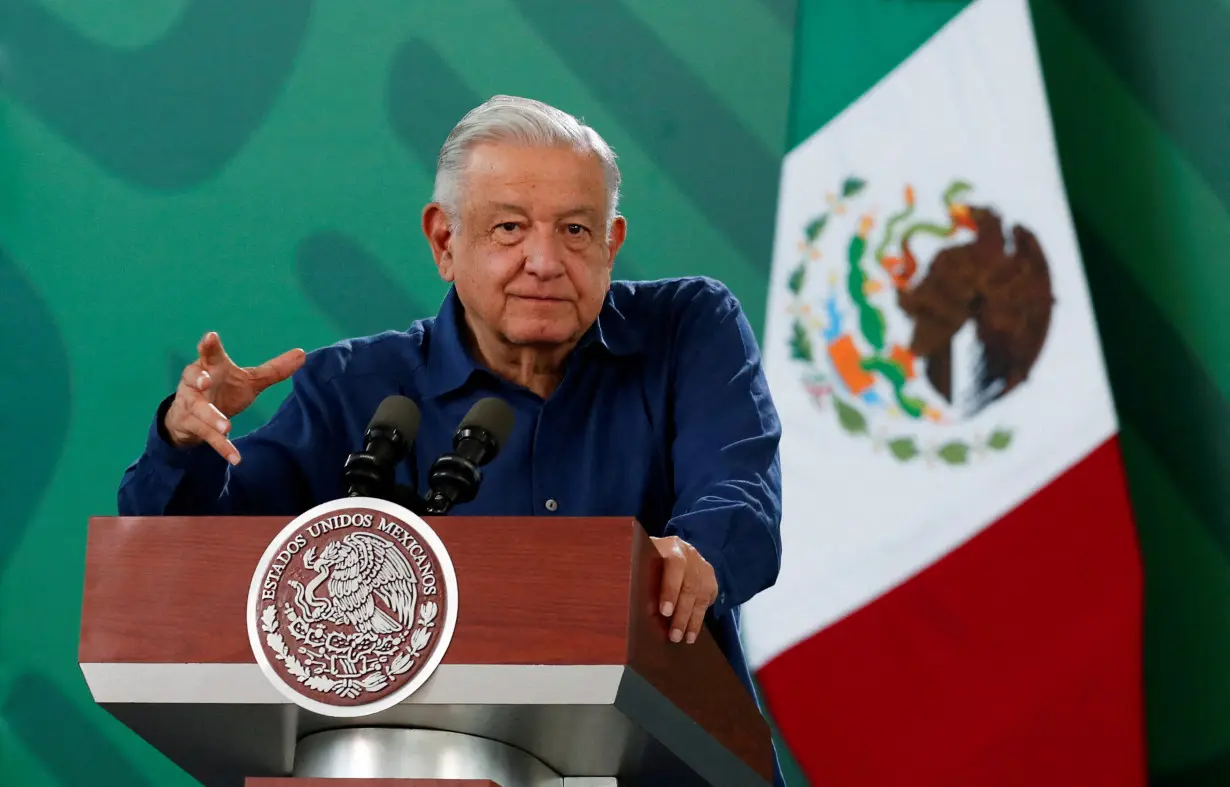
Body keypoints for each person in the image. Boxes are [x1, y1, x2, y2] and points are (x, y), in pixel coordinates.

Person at [117, 95, 784, 784]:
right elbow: (190, 559)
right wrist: (186, 441)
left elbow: (742, 498)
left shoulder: (688, 328)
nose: (545, 260)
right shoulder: (358, 386)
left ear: (613, 242)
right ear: (444, 241)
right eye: (509, 227)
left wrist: (696, 554)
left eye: (576, 230)